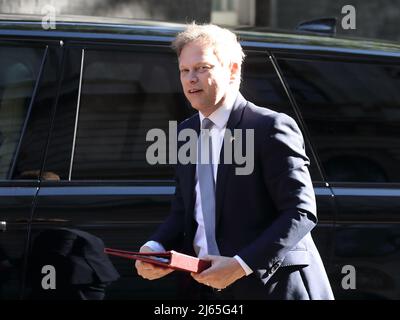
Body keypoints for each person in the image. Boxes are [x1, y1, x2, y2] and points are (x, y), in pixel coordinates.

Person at [135, 23, 334, 300]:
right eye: (184, 70)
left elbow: (300, 212)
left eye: (202, 68)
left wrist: (240, 266)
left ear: (232, 70)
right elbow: (184, 210)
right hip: (206, 286)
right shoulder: (185, 133)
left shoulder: (270, 127)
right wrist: (155, 248)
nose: (191, 78)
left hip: (271, 287)